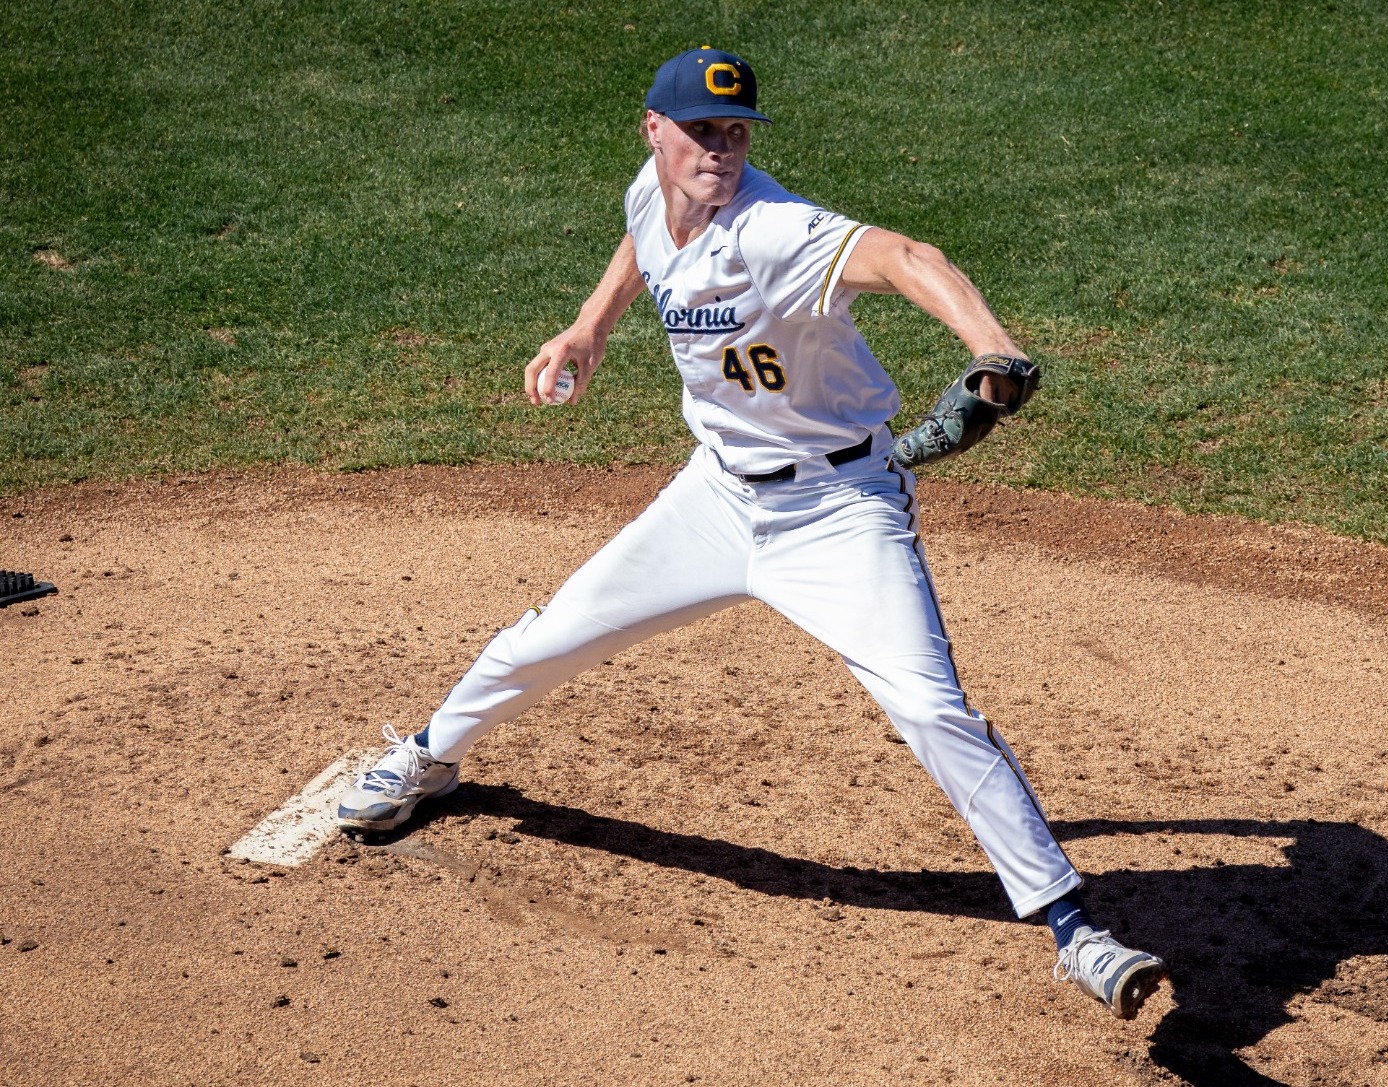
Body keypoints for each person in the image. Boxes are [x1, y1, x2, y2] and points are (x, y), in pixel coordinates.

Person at [334, 46, 1167, 1020]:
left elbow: (910, 258)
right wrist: (589, 327)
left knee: (929, 707)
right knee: (555, 633)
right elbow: (643, 240)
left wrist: (992, 348)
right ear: (654, 130)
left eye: (734, 132)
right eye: (701, 131)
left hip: (839, 511)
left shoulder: (771, 229)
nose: (719, 150)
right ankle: (432, 753)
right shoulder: (654, 188)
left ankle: (1076, 932)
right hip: (716, 496)